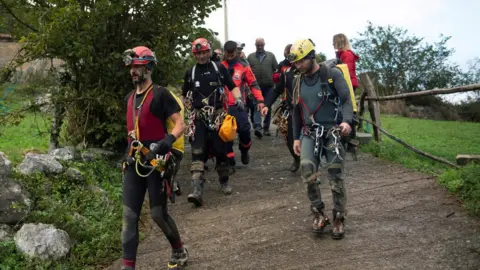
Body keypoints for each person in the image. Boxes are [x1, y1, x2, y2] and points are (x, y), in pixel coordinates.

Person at [121, 46, 188, 269]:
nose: (133, 71)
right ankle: (127, 266)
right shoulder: (129, 99)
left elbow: (180, 124)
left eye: (138, 66)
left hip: (156, 162)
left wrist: (167, 142)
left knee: (158, 214)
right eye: (131, 67)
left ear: (148, 67)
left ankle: (178, 249)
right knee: (129, 217)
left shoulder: (161, 94)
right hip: (134, 162)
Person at [288, 39, 353, 240]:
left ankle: (339, 216)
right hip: (309, 132)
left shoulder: (331, 75)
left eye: (301, 61)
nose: (298, 66)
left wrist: (347, 121)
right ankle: (319, 213)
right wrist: (296, 138)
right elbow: (297, 110)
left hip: (332, 130)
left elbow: (346, 100)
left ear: (311, 57)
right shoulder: (297, 80)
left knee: (335, 173)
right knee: (307, 169)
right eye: (295, 62)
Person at [181, 37, 244, 207]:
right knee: (197, 152)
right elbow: (184, 94)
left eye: (204, 52)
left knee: (220, 151)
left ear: (209, 52)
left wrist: (238, 99)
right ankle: (196, 190)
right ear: (194, 55)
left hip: (217, 116)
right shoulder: (191, 73)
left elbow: (232, 86)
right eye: (198, 53)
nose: (201, 56)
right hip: (198, 118)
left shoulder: (219, 68)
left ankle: (224, 181)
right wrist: (187, 112)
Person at [221, 40, 264, 173]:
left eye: (232, 54)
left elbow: (254, 84)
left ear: (236, 52)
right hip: (223, 107)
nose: (229, 56)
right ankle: (230, 161)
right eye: (227, 54)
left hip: (239, 106)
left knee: (245, 132)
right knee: (226, 134)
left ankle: (244, 150)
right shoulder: (219, 66)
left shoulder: (243, 66)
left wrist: (260, 100)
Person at [261, 44, 300, 172]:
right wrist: (266, 104)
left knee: (310, 140)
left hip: (309, 113)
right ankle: (297, 159)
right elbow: (276, 90)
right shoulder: (287, 73)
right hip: (291, 111)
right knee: (290, 139)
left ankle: (311, 167)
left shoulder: (314, 73)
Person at [247, 37, 278, 136]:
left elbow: (276, 69)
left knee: (267, 106)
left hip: (269, 86)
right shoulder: (250, 57)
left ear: (264, 44)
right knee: (257, 106)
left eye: (261, 45)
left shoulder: (271, 56)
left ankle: (266, 128)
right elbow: (247, 71)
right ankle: (258, 127)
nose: (260, 47)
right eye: (258, 45)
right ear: (255, 45)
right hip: (256, 87)